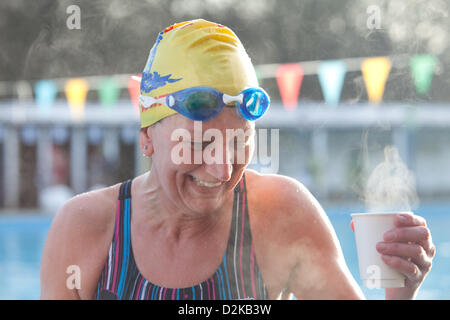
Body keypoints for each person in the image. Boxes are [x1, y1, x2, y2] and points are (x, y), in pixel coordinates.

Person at [40, 19, 435, 300]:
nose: (223, 170)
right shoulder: (86, 230)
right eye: (198, 144)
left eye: (239, 143)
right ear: (147, 138)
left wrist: (399, 295)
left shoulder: (282, 214)